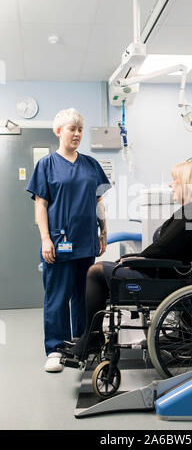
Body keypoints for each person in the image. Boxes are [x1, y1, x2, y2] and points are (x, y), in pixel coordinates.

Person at [61, 158, 192, 362]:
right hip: (166, 275)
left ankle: (92, 338)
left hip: (165, 279)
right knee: (102, 269)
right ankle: (91, 336)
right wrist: (134, 258)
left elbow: (163, 248)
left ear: (189, 183)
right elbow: (166, 247)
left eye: (175, 179)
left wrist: (134, 259)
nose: (171, 184)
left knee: (95, 271)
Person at [26, 108, 111, 372]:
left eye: (80, 129)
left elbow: (99, 202)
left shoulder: (90, 165)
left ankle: (83, 345)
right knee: (57, 296)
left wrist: (103, 231)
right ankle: (55, 349)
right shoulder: (46, 165)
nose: (76, 134)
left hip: (86, 241)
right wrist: (45, 239)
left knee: (84, 295)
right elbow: (41, 205)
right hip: (58, 242)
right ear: (59, 131)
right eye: (71, 129)